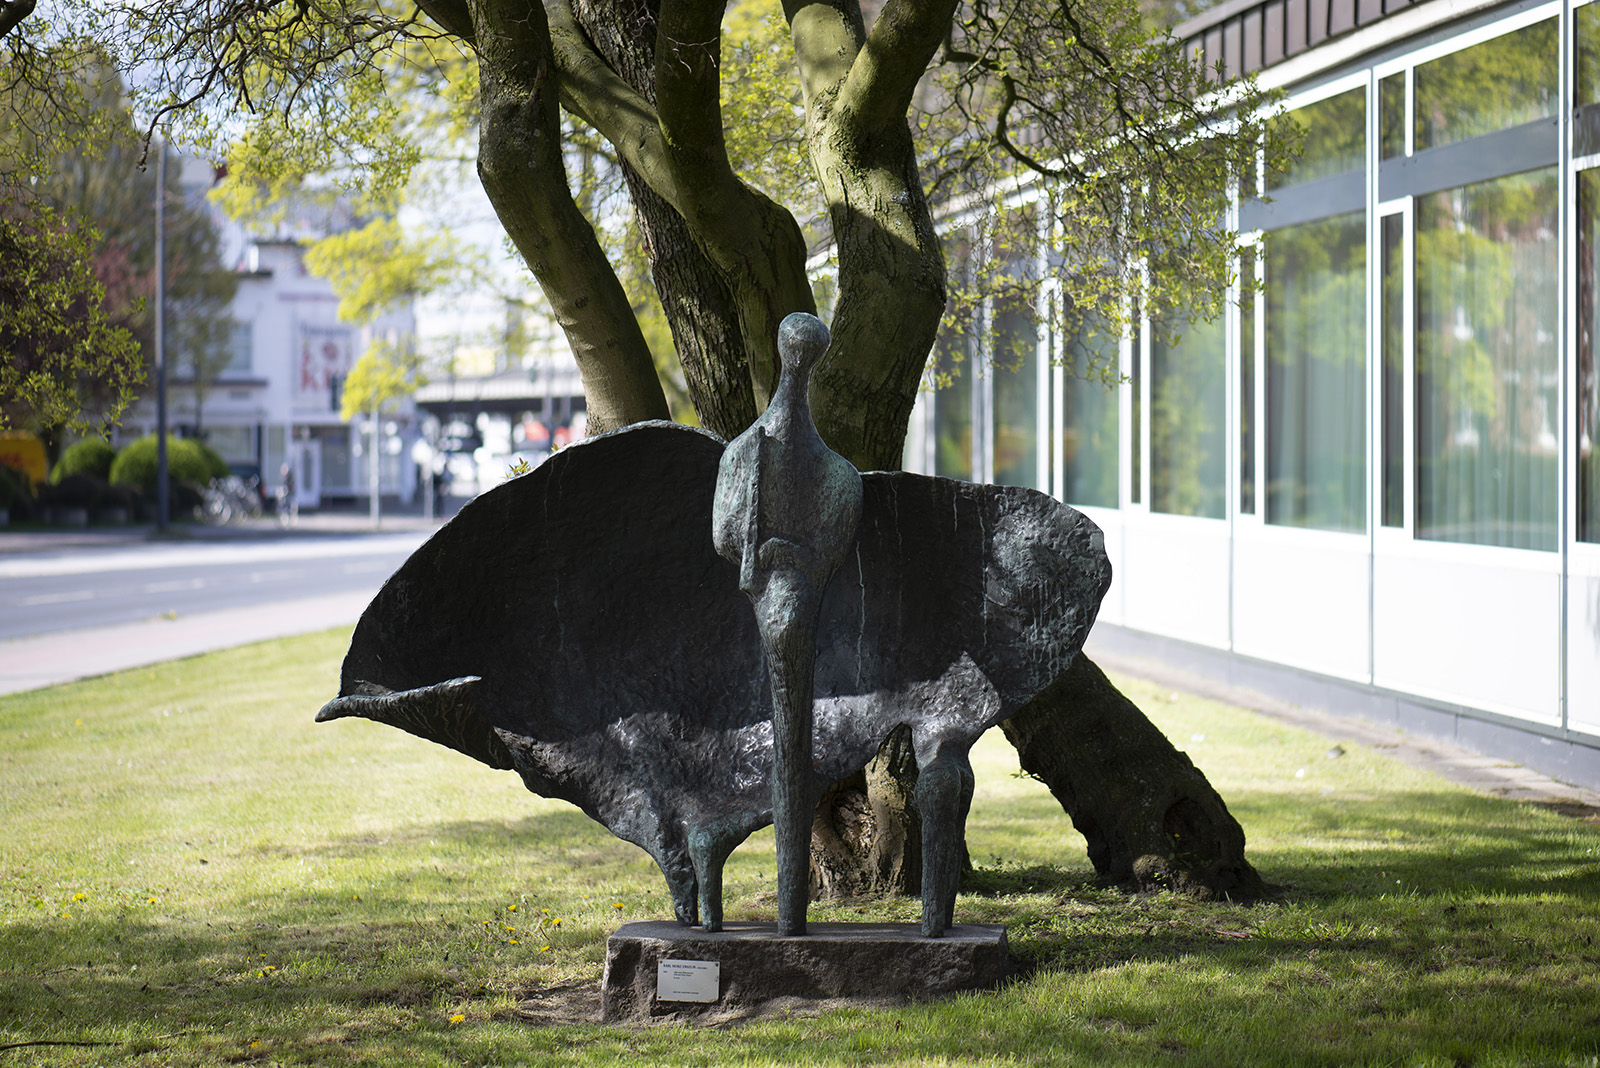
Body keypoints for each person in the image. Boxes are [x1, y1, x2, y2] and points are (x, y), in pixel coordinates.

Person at [277, 462, 299, 527]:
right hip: (285, 494)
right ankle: (284, 519)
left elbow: (292, 486)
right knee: (284, 506)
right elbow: (281, 485)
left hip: (290, 494)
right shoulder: (282, 477)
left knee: (292, 506)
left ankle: (293, 519)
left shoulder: (290, 477)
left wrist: (289, 490)